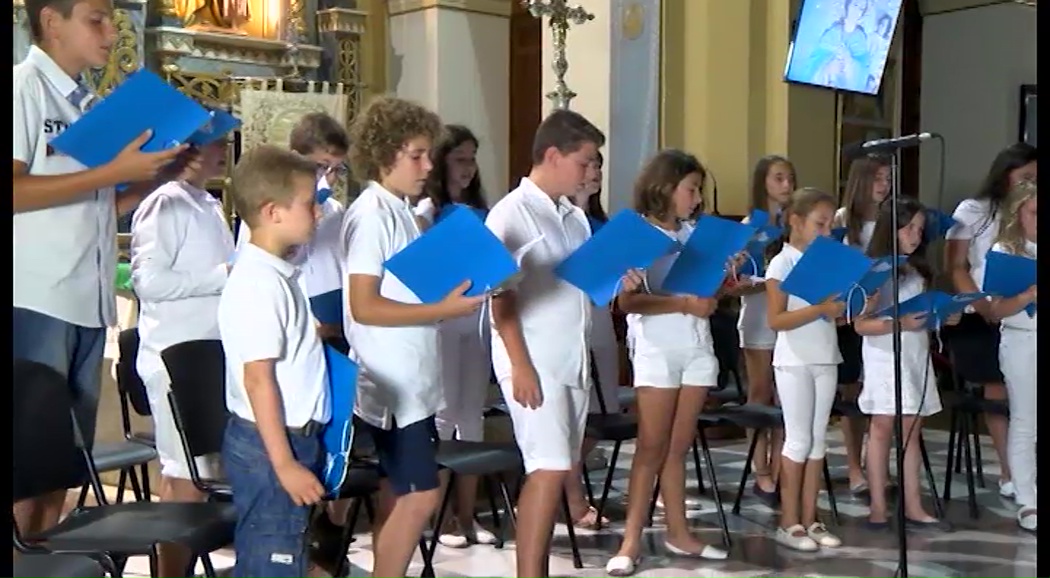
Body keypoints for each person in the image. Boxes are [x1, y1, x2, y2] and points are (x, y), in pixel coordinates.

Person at [13, 0, 188, 538]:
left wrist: (147, 179)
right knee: (25, 461)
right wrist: (112, 171)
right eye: (96, 18)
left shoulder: (87, 104)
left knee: (62, 463)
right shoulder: (24, 87)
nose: (112, 32)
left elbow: (92, 209)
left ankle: (43, 560)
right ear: (51, 21)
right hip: (36, 297)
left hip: (87, 303)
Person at [486, 109, 641, 578]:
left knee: (557, 467)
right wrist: (521, 366)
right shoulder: (511, 213)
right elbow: (500, 297)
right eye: (585, 161)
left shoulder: (573, 216)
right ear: (553, 155)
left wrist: (620, 280)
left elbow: (583, 285)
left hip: (570, 358)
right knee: (548, 469)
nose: (591, 172)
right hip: (533, 359)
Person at [342, 97, 484, 578]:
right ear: (385, 155)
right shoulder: (371, 216)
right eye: (417, 155)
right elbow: (363, 304)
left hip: (413, 379)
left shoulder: (402, 211)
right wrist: (443, 309)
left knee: (399, 495)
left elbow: (407, 288)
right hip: (392, 385)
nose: (428, 166)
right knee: (422, 494)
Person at [605, 149, 730, 576]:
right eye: (690, 189)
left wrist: (722, 279)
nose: (696, 199)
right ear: (665, 187)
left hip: (697, 346)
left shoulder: (696, 234)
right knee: (651, 447)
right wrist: (682, 303)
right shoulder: (639, 234)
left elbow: (708, 296)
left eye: (698, 190)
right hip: (657, 347)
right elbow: (628, 300)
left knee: (679, 446)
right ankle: (631, 540)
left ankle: (679, 531)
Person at [218, 145, 330, 577]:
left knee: (288, 555)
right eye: (309, 204)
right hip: (271, 447)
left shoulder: (276, 273)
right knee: (273, 560)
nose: (317, 214)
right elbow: (258, 380)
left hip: (288, 439)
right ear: (273, 212)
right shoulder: (259, 283)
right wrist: (285, 464)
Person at [130, 136, 233, 578]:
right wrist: (223, 275)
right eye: (217, 143)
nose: (224, 151)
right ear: (188, 150)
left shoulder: (207, 204)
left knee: (196, 474)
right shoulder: (164, 203)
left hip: (207, 354)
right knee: (185, 475)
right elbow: (149, 282)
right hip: (175, 358)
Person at [413, 124, 499, 548]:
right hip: (444, 319)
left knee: (472, 415)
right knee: (445, 415)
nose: (468, 168)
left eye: (472, 159)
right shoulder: (428, 207)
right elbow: (420, 259)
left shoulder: (481, 209)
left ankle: (469, 514)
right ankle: (443, 515)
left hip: (478, 318)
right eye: (460, 159)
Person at [943, 143, 1037, 500]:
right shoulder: (975, 210)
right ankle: (1010, 471)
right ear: (1006, 173)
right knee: (998, 385)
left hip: (1021, 315)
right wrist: (983, 306)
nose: (1032, 183)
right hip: (979, 314)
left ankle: (1024, 468)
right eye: (1026, 176)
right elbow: (956, 265)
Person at [854, 197, 954, 532]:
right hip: (884, 354)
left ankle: (913, 504)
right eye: (908, 227)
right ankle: (878, 507)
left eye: (920, 229)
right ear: (890, 228)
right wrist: (901, 324)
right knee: (882, 427)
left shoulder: (919, 269)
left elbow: (922, 316)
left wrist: (942, 316)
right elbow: (860, 324)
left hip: (914, 352)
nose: (915, 235)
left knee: (912, 428)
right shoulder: (875, 270)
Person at [765, 188, 847, 552]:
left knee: (817, 440)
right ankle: (789, 521)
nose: (827, 232)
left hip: (825, 356)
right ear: (796, 222)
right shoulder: (781, 263)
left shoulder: (826, 262)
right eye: (820, 224)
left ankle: (811, 517)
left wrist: (846, 306)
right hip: (794, 359)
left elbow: (835, 311)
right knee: (797, 439)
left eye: (830, 225)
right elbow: (776, 319)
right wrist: (820, 309)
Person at [236, 111, 350, 346]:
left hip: (337, 320)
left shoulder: (335, 210)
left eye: (337, 170)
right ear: (297, 159)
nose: (330, 179)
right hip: (298, 317)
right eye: (322, 167)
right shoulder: (269, 213)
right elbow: (277, 258)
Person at [731, 155, 796, 506]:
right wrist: (762, 281)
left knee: (787, 393)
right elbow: (734, 282)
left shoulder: (796, 226)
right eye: (779, 179)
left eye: (790, 179)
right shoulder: (748, 227)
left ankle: (782, 461)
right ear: (764, 184)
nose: (786, 186)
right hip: (758, 314)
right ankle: (760, 469)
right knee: (761, 392)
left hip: (790, 316)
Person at [566, 150, 623, 529]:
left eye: (600, 166)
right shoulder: (560, 219)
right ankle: (570, 494)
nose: (596, 172)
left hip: (600, 316)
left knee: (604, 413)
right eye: (588, 165)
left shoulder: (601, 222)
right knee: (569, 417)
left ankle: (561, 482)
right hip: (569, 319)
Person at [832, 154, 892, 496]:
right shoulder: (844, 219)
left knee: (882, 394)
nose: (884, 186)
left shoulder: (890, 217)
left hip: (885, 311)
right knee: (852, 392)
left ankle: (877, 463)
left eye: (887, 179)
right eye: (878, 179)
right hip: (852, 314)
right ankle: (855, 467)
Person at [988, 180, 1038, 532]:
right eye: (1035, 212)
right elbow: (995, 311)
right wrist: (1026, 296)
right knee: (1025, 419)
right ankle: (1027, 499)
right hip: (1022, 340)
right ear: (1018, 213)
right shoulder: (1006, 251)